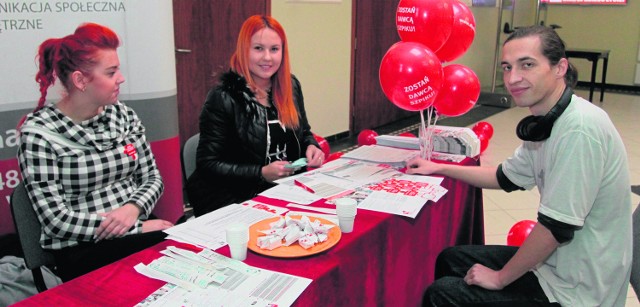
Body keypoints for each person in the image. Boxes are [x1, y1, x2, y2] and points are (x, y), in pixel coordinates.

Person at [407, 25, 632, 306]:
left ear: (560, 67)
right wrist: (439, 168)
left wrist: (500, 278)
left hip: (578, 288)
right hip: (557, 266)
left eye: (527, 65)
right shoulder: (545, 121)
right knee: (451, 259)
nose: (513, 78)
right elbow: (504, 177)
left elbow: (555, 229)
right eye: (507, 67)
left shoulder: (579, 129)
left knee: (441, 294)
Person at [17, 23, 173, 282]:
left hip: (139, 226)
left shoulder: (123, 115)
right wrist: (135, 228)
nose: (121, 78)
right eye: (111, 72)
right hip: (83, 247)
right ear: (80, 80)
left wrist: (133, 208)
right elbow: (56, 220)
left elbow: (152, 178)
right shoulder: (39, 135)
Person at [186, 15, 324, 216]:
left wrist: (312, 146)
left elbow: (303, 133)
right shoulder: (223, 97)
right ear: (244, 50)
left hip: (284, 191)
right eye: (258, 48)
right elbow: (208, 164)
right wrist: (260, 173)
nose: (267, 57)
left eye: (274, 49)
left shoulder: (290, 86)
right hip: (235, 198)